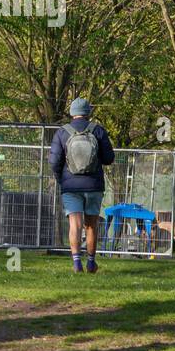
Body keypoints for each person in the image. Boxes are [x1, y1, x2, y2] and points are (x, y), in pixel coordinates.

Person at [49, 97, 115, 273]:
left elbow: (54, 161)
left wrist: (61, 178)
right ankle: (91, 263)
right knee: (91, 225)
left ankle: (77, 262)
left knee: (75, 225)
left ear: (72, 112)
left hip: (71, 186)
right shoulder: (98, 130)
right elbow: (109, 159)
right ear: (88, 113)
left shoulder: (62, 132)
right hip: (94, 185)